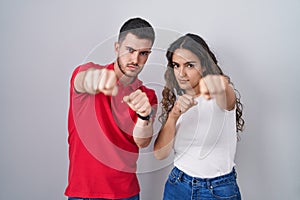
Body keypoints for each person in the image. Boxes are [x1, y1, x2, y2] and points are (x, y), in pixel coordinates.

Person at [65, 17, 157, 200]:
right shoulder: (90, 71)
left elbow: (142, 141)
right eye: (130, 50)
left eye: (143, 53)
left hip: (126, 193)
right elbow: (81, 80)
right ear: (117, 47)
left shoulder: (147, 95)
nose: (135, 59)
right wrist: (92, 80)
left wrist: (144, 116)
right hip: (84, 193)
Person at [154, 33, 245, 200]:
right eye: (176, 65)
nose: (181, 73)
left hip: (216, 190)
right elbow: (160, 154)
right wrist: (173, 116)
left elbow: (228, 97)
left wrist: (220, 85)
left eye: (189, 65)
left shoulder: (219, 96)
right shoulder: (178, 103)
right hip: (177, 185)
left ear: (204, 65)